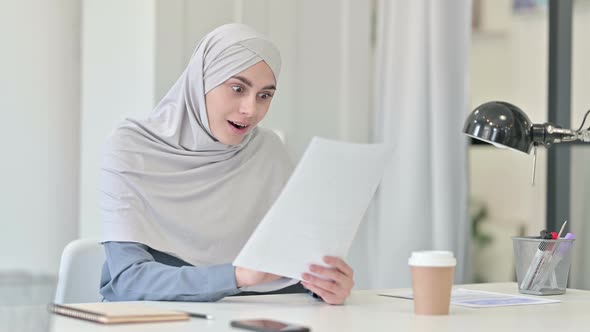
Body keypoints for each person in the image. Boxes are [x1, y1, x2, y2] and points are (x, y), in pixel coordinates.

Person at [99, 23, 354, 305]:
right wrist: (238, 276)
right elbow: (128, 281)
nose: (251, 110)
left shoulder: (267, 150)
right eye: (237, 88)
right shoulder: (132, 146)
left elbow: (293, 271)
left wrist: (324, 286)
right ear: (202, 81)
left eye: (265, 95)